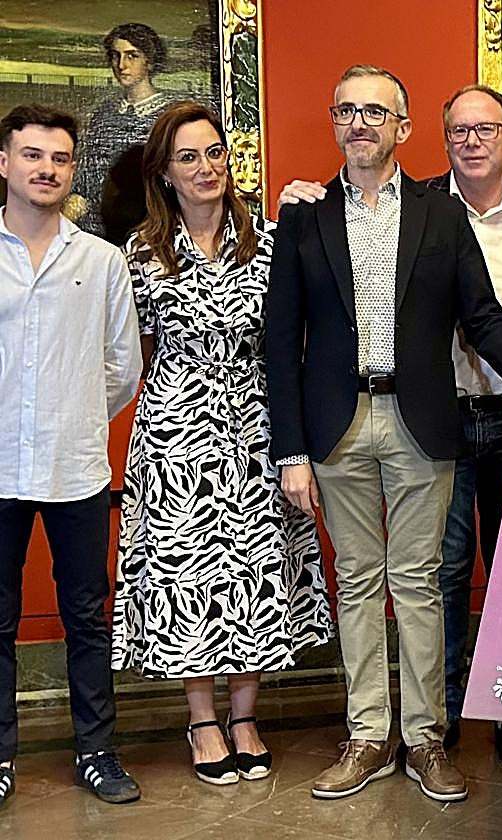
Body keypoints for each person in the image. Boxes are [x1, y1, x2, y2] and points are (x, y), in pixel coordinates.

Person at [263, 65, 502, 803]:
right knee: (357, 583)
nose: (359, 124)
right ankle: (367, 735)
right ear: (333, 122)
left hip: (420, 420)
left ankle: (425, 738)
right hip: (336, 424)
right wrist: (291, 449)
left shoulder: (441, 213)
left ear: (403, 129)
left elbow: (479, 314)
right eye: (346, 110)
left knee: (417, 584)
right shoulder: (305, 216)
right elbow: (281, 339)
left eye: (375, 113)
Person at [109, 102, 333, 786]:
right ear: (165, 174)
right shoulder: (140, 250)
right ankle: (201, 717)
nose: (205, 168)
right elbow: (136, 351)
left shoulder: (268, 239)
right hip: (177, 432)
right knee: (187, 578)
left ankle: (245, 716)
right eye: (188, 158)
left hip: (259, 425)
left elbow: (297, 331)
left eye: (214, 153)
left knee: (255, 573)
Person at [0, 104, 142, 806]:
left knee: (87, 615)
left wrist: (75, 416)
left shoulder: (101, 261)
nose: (45, 169)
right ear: (5, 163)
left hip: (76, 466)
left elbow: (122, 365)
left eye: (58, 158)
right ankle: (1, 757)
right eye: (31, 155)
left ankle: (96, 750)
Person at [74, 23, 187, 242]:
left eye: (132, 56)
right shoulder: (104, 113)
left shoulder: (170, 114)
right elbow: (87, 172)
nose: (121, 65)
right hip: (98, 230)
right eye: (116, 56)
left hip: (155, 228)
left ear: (149, 61)